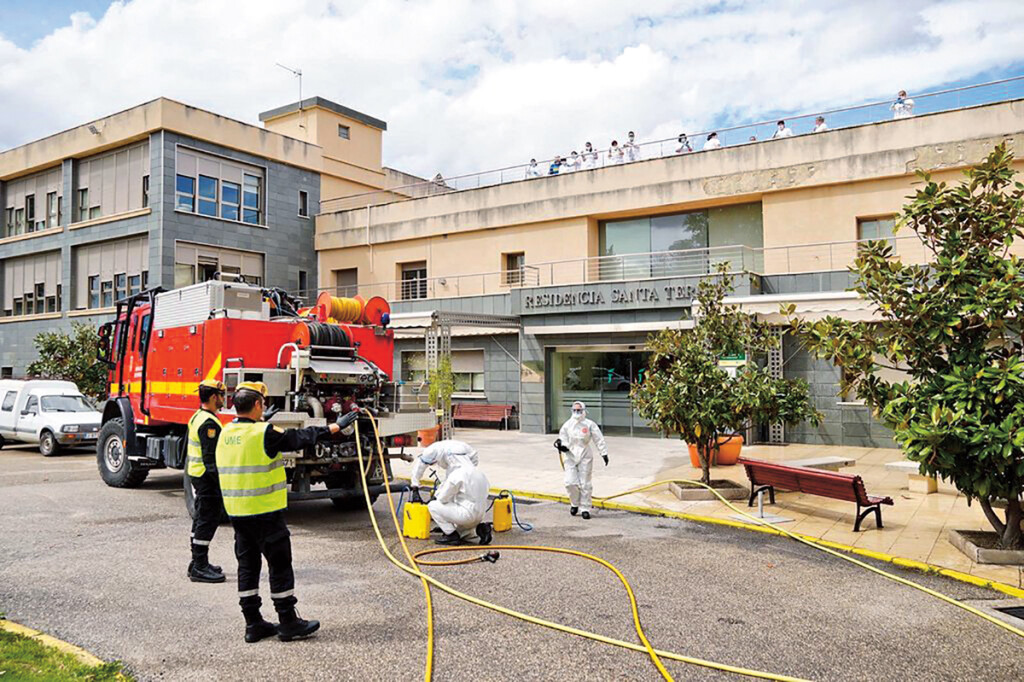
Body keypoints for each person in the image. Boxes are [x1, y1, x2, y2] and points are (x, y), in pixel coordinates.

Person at [216, 381, 359, 643]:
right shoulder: (264, 433)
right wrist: (335, 426)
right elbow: (301, 438)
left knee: (247, 567)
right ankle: (288, 622)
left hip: (238, 514)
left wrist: (263, 423)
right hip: (266, 513)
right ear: (258, 405)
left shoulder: (226, 432)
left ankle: (253, 623)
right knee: (280, 565)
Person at [409, 440, 492, 545]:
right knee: (463, 530)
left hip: (466, 514)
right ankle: (480, 529)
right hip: (480, 515)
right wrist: (415, 484)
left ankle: (451, 535)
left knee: (433, 506)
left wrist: (433, 497)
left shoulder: (455, 474)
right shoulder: (480, 474)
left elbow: (443, 498)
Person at [186, 380, 228, 584]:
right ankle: (200, 567)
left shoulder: (199, 416)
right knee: (208, 520)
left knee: (201, 518)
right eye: (221, 395)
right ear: (214, 397)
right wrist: (221, 484)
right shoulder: (209, 423)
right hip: (206, 477)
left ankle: (197, 562)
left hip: (198, 475)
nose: (223, 398)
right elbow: (211, 459)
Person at [556, 401, 608, 520]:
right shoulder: (567, 425)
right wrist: (562, 445)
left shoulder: (589, 424)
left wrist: (603, 453)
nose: (576, 412)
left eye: (579, 410)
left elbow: (598, 439)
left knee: (585, 483)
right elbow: (562, 437)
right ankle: (574, 503)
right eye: (574, 410)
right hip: (570, 454)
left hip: (585, 454)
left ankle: (585, 508)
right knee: (570, 482)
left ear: (584, 411)